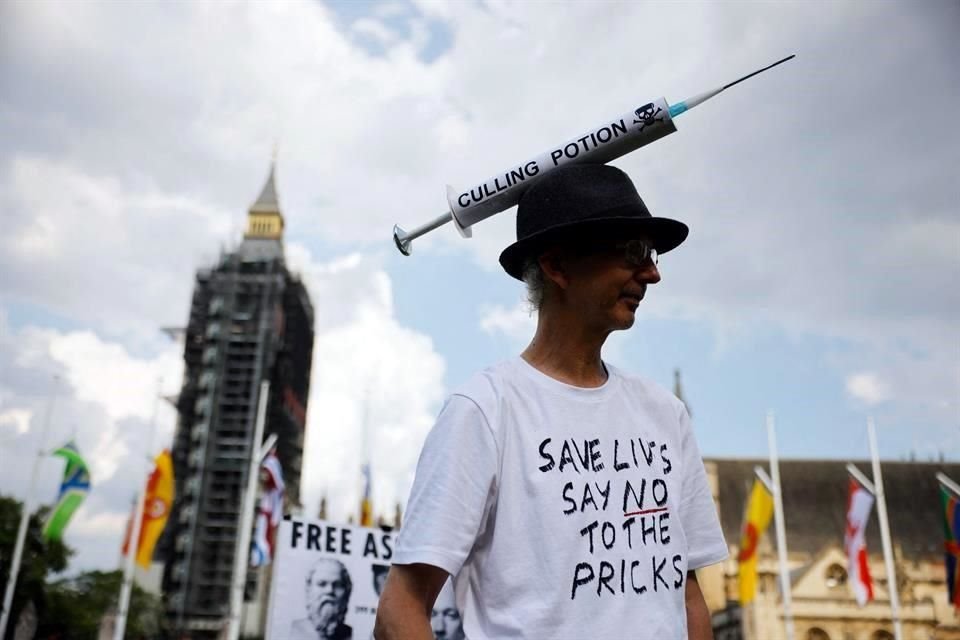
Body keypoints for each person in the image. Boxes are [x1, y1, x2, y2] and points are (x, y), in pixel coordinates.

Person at [374, 163, 727, 639]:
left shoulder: (666, 414)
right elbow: (401, 610)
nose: (652, 272)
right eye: (632, 251)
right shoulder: (486, 411)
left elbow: (685, 597)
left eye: (652, 252)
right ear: (557, 265)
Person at [290, 557, 354, 640]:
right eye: (322, 584)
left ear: (347, 593)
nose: (329, 590)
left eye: (337, 585)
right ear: (309, 590)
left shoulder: (353, 634)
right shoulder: (292, 631)